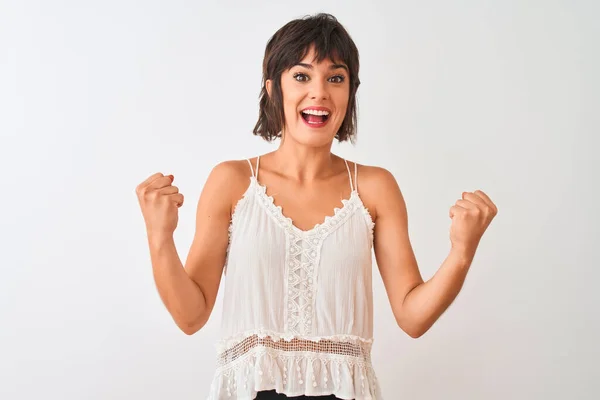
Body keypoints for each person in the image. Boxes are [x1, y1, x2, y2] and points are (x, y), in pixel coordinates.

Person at [135, 13, 497, 400]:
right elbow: (191, 316)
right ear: (274, 89)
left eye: (335, 78)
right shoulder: (233, 181)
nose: (320, 93)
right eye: (302, 76)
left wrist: (462, 252)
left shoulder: (375, 188)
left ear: (350, 92)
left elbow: (412, 317)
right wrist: (160, 237)